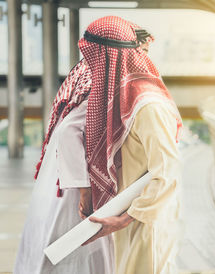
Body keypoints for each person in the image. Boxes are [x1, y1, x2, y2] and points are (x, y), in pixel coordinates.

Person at [77, 16, 183, 274]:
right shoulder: (124, 101)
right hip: (130, 217)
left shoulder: (148, 107)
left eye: (94, 58)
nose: (89, 66)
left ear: (110, 58)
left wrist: (124, 220)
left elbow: (168, 173)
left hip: (146, 222)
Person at [14, 59, 115, 274]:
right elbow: (69, 132)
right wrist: (85, 190)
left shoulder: (83, 77)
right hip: (75, 187)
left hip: (59, 182)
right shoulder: (101, 82)